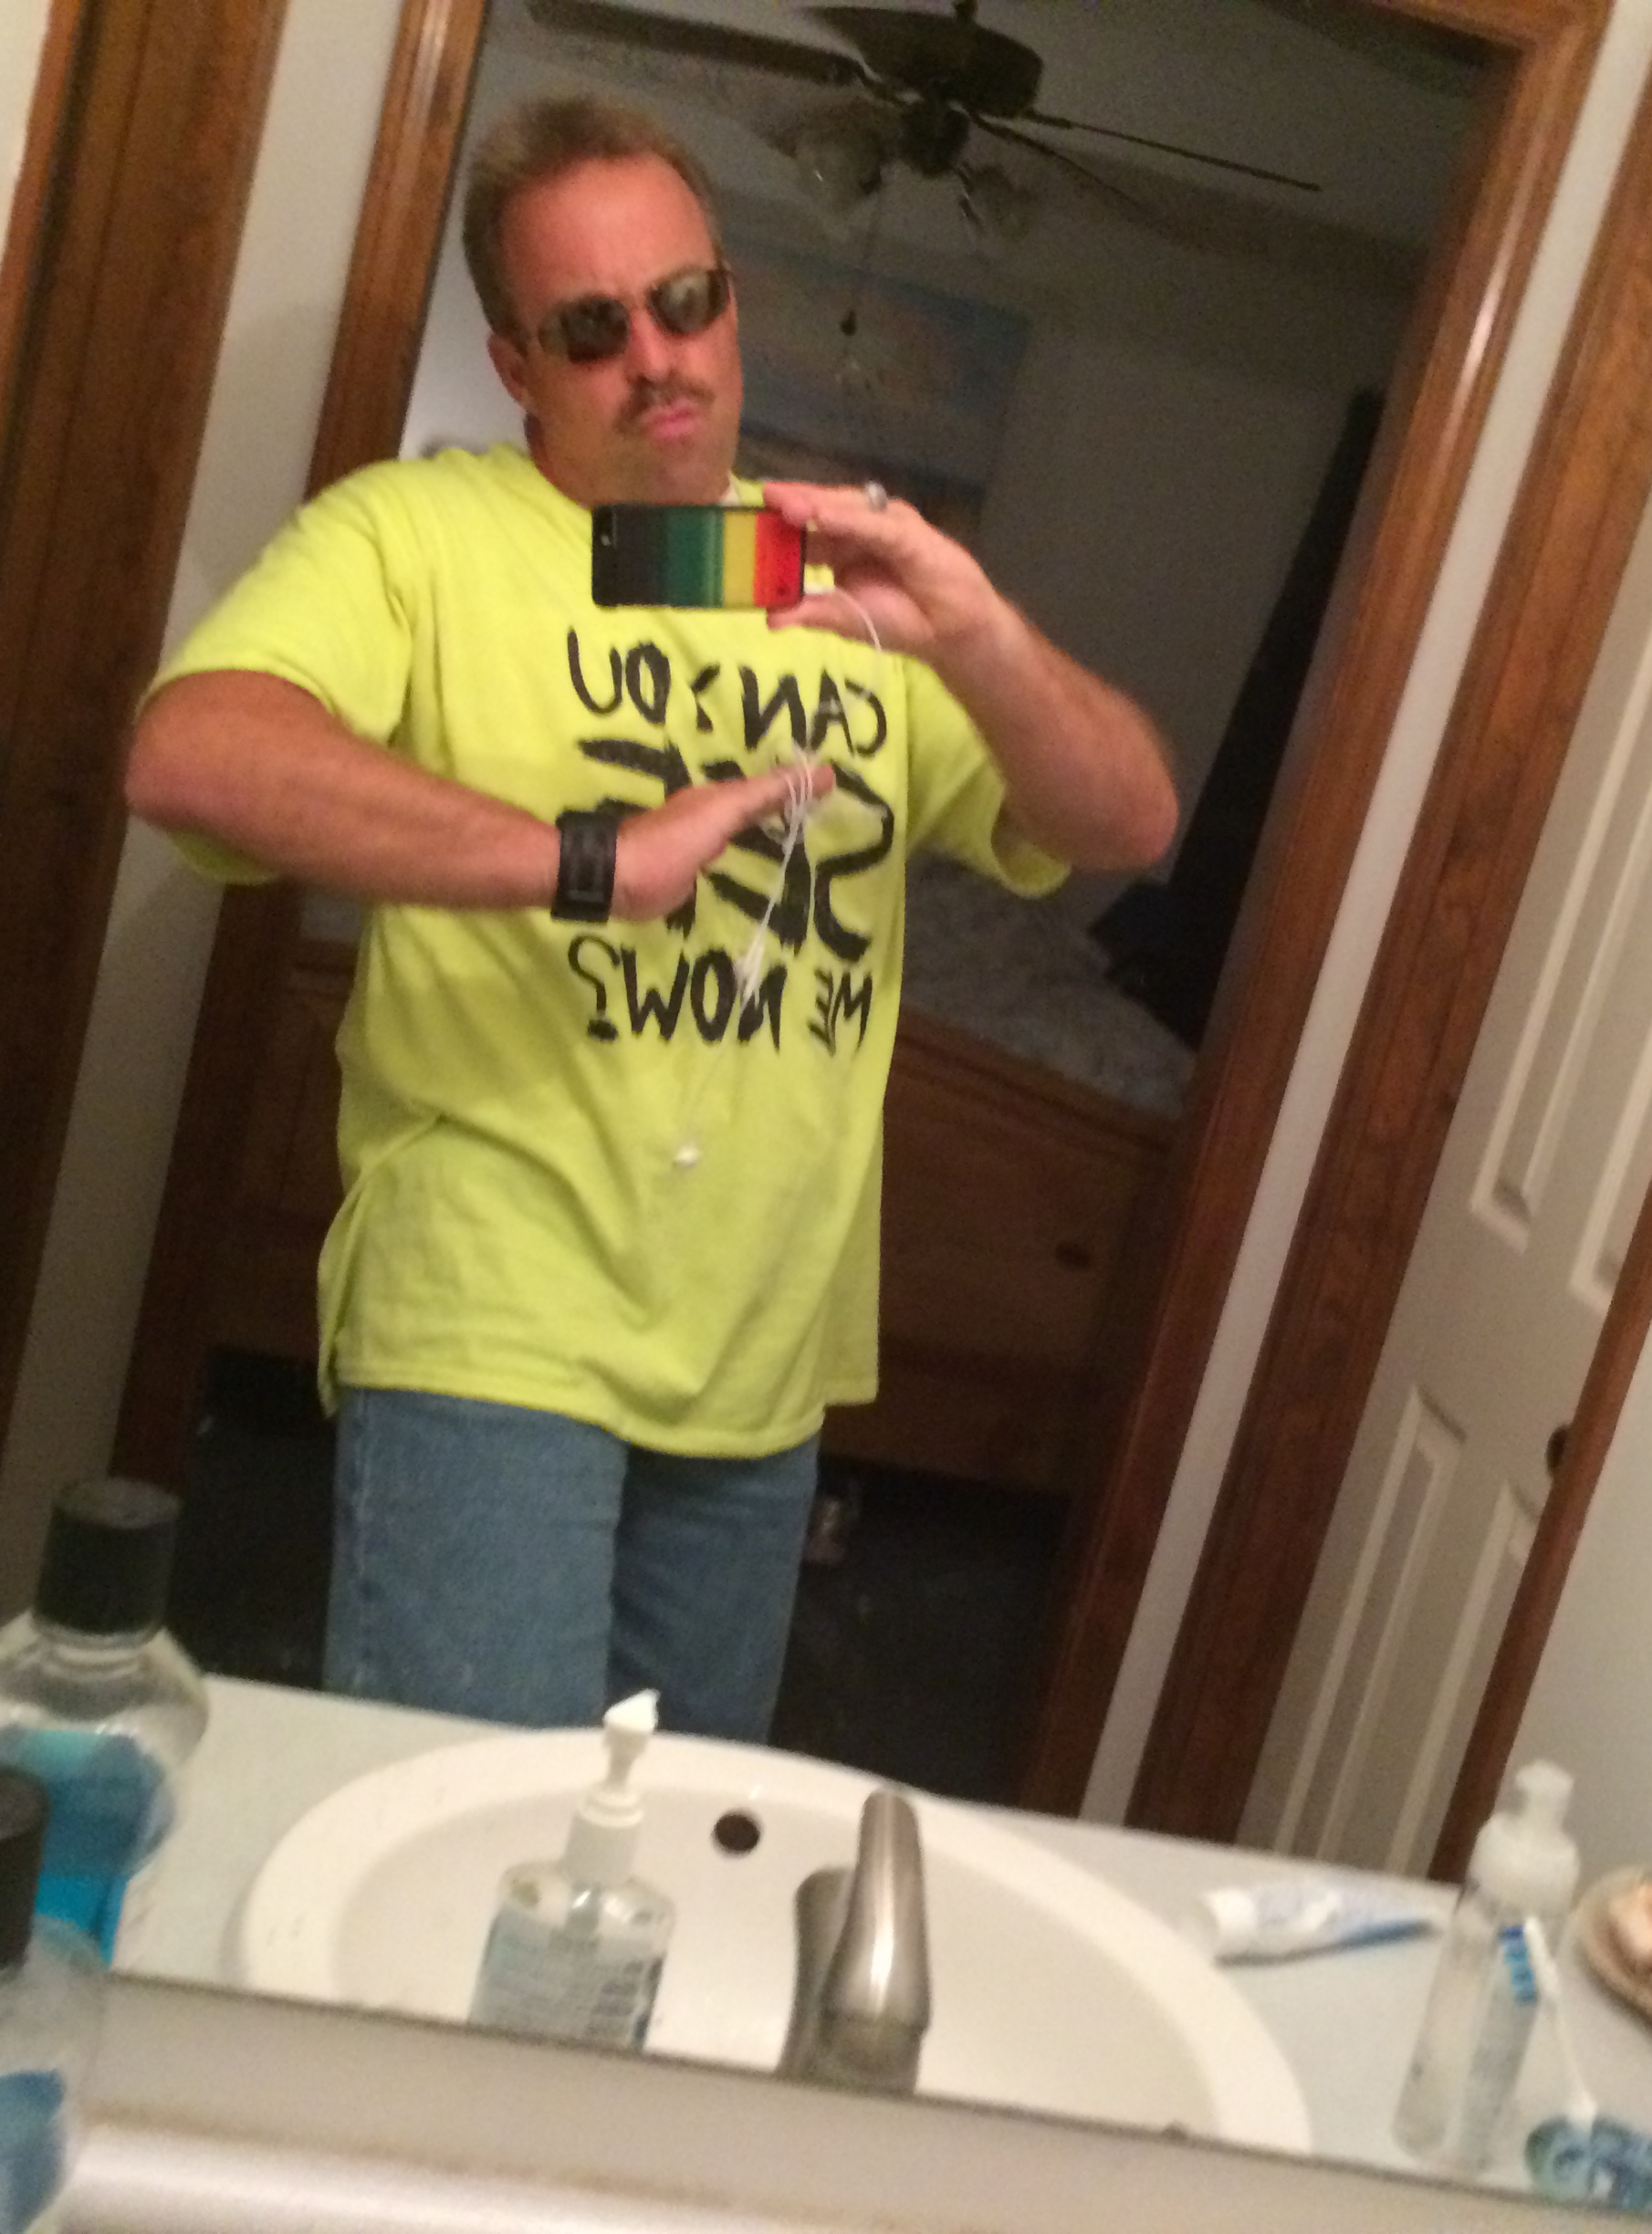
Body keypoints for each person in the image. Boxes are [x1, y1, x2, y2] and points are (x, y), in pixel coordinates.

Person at [124, 95, 1176, 1741]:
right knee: (474, 1828)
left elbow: (1129, 820)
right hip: (494, 1305)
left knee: (666, 1846)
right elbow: (194, 755)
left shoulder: (842, 579)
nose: (657, 358)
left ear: (731, 301)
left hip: (761, 1347)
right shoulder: (423, 532)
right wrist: (587, 860)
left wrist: (978, 632)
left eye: (686, 301)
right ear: (518, 363)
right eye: (592, 328)